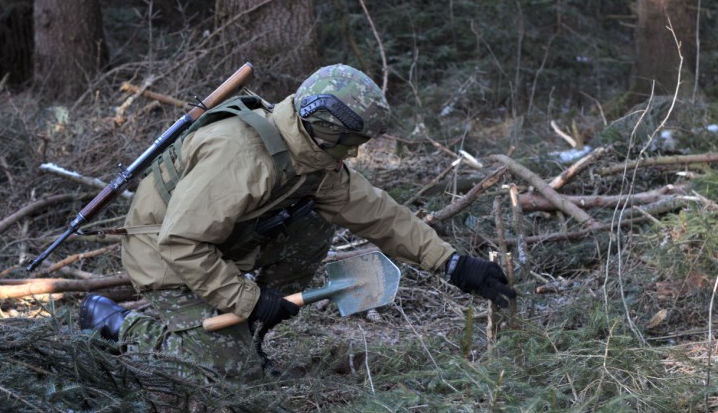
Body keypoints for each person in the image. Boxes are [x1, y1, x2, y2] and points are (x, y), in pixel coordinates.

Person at [79, 64, 515, 378]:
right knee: (230, 373)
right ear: (326, 127)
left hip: (218, 244)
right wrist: (249, 299)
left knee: (315, 220)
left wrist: (452, 263)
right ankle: (117, 324)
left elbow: (378, 214)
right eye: (352, 141)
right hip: (165, 256)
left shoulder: (311, 157)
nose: (354, 153)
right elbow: (180, 243)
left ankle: (245, 337)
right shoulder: (240, 155)